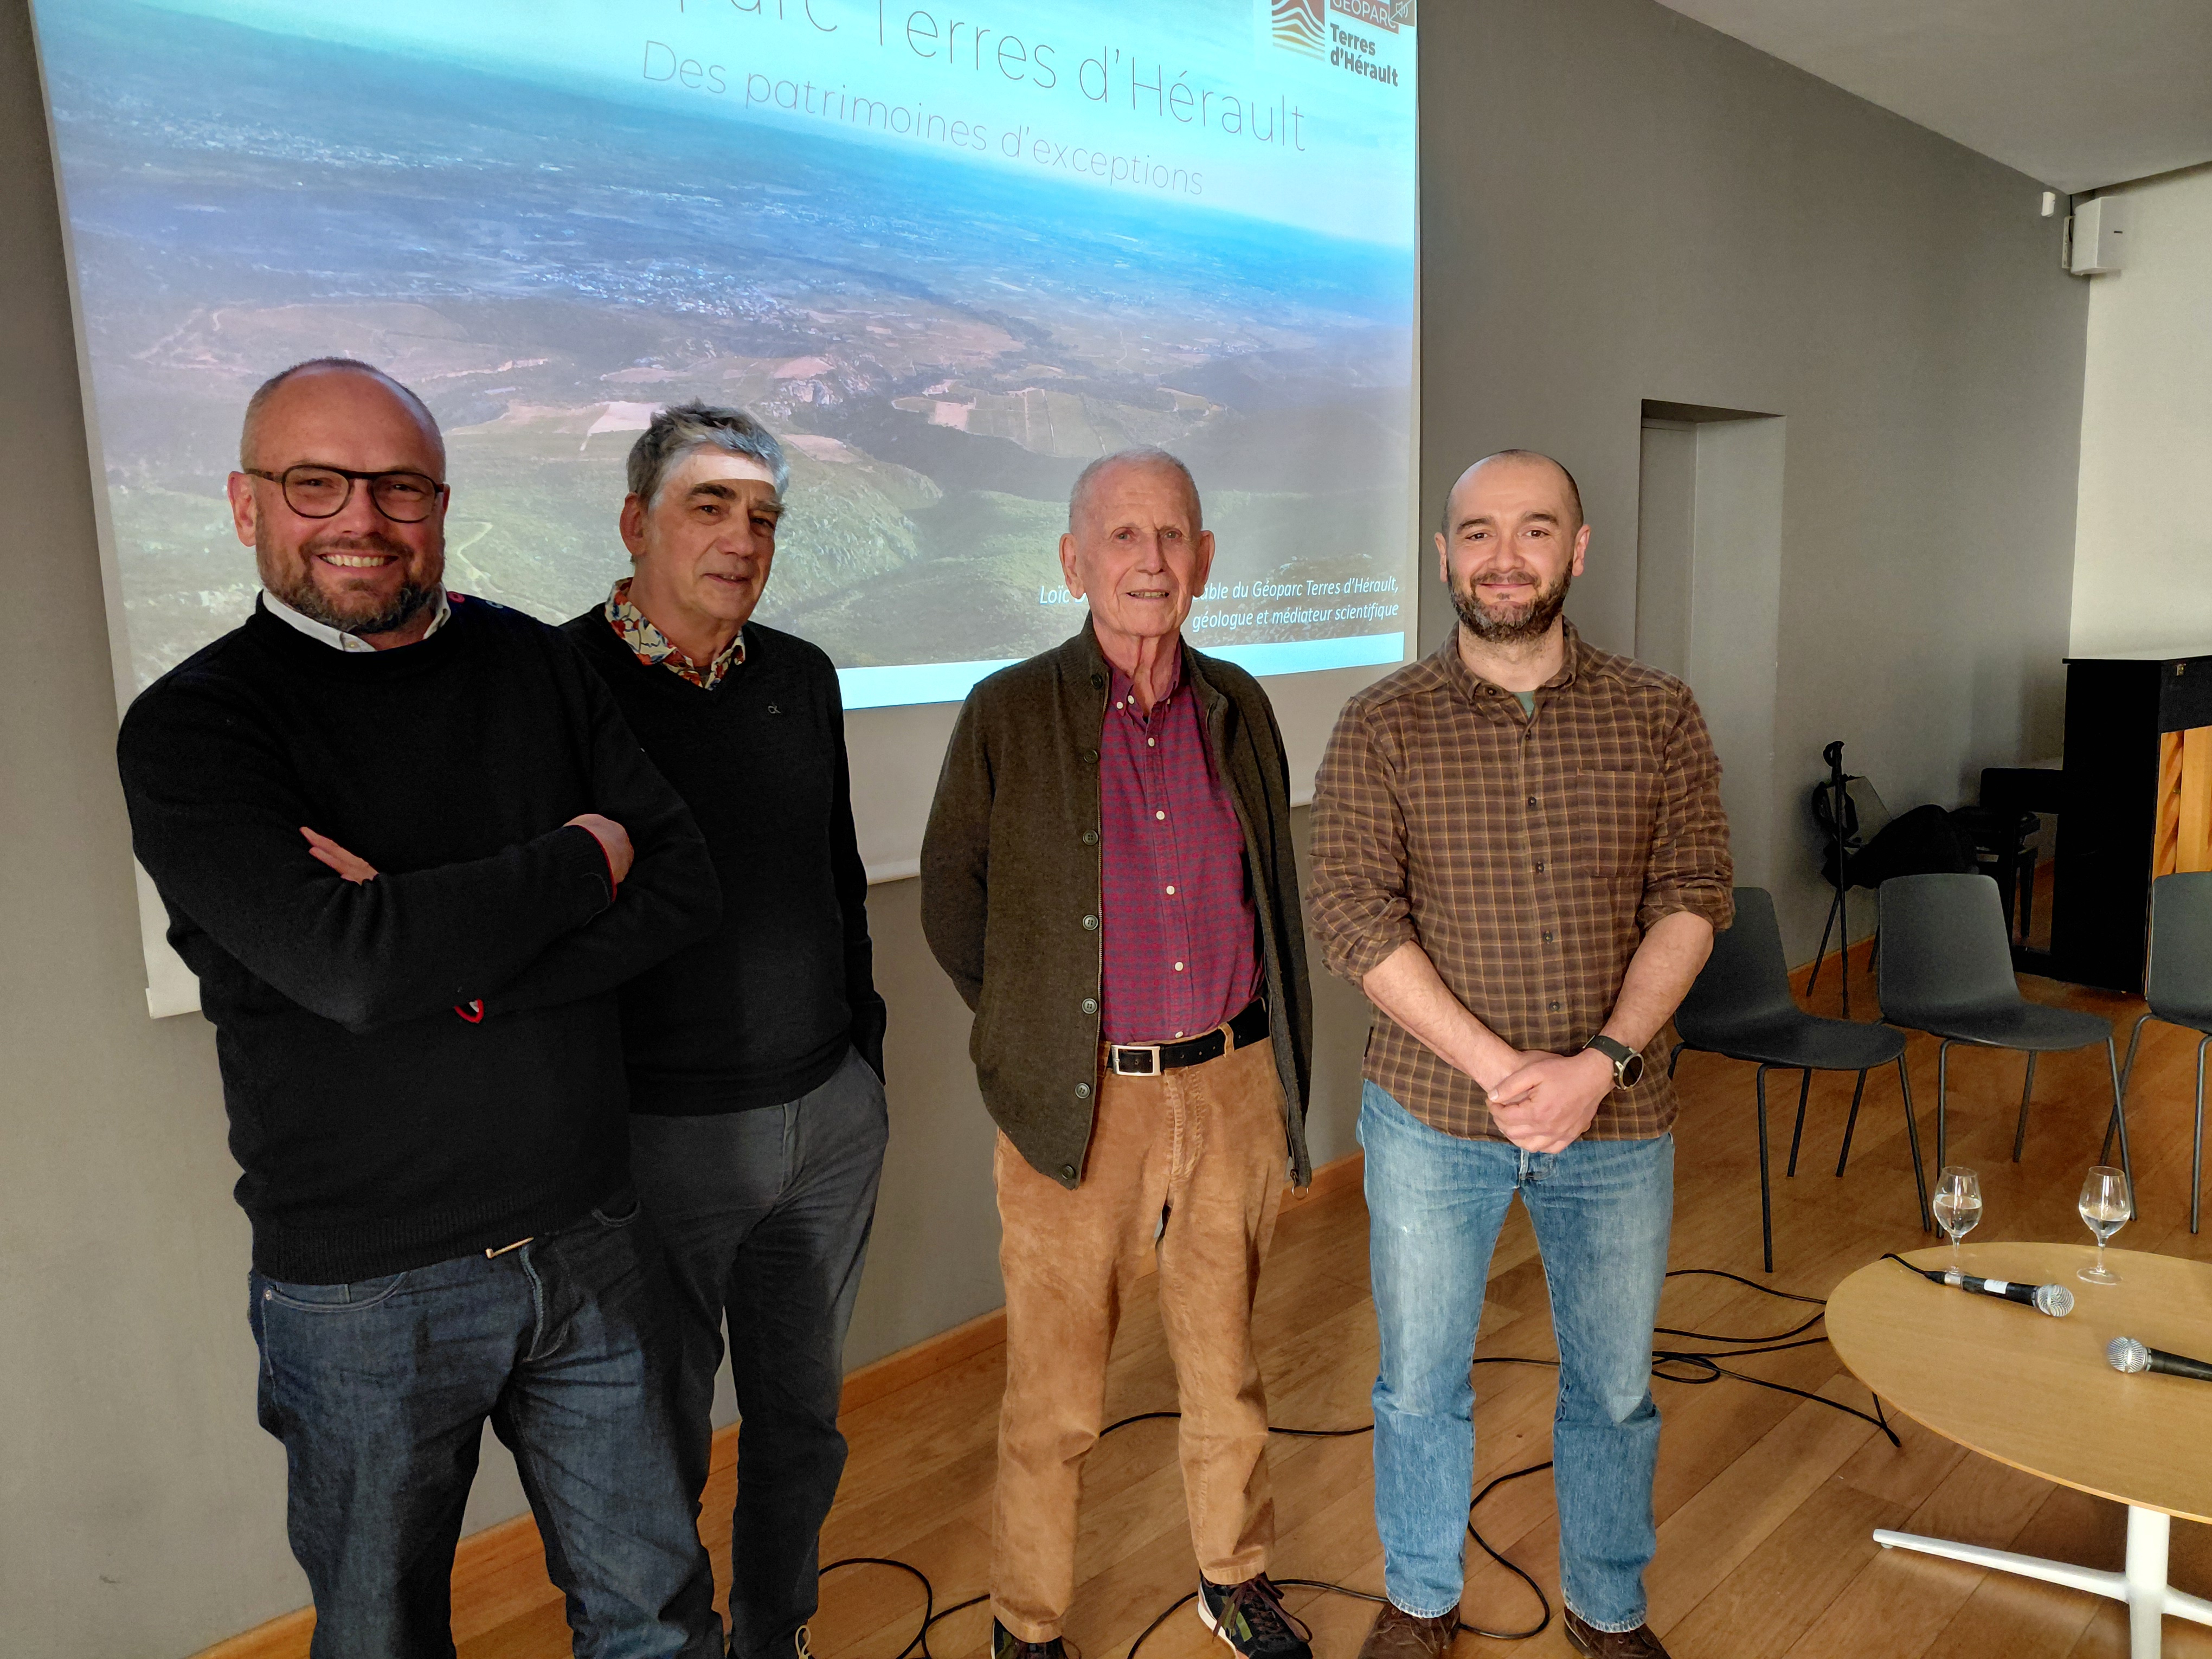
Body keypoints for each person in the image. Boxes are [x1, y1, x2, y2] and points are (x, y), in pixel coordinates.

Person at [115, 358, 725, 1659]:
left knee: (657, 1617)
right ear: (245, 504)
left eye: (398, 486)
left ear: (440, 504)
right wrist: (575, 859)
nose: (361, 518)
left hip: (592, 1234)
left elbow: (678, 885)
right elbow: (349, 969)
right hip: (363, 1293)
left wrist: (437, 949)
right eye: (315, 484)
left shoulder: (535, 663)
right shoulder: (193, 729)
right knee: (381, 1636)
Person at [1308, 451, 1732, 1659]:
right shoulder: (1381, 724)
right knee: (1420, 1385)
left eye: (1534, 530)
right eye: (1478, 533)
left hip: (1617, 1115)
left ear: (1578, 549)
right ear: (1443, 555)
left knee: (1612, 1390)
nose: (1505, 557)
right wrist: (1504, 1070)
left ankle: (1609, 1606)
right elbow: (1352, 914)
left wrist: (1596, 1061)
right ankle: (1423, 1598)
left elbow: (1695, 893)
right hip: (1435, 1116)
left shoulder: (1660, 712)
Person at [920, 448, 1315, 1659]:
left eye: (1174, 536)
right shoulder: (1006, 712)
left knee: (1227, 1368)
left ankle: (1232, 1576)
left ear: (1204, 560)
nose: (1151, 560)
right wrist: (1042, 1038)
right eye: (1124, 536)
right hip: (1080, 1102)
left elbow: (1273, 893)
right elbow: (953, 903)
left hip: (1233, 1086)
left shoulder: (1241, 705)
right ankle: (1028, 1618)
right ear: (1073, 561)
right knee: (1054, 1397)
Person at [562, 402, 889, 1659]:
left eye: (763, 517)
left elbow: (838, 879)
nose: (743, 539)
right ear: (638, 520)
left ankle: (776, 1635)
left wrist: (863, 1063)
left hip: (828, 1122)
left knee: (803, 1424)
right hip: (656, 1144)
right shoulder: (556, 684)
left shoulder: (799, 678)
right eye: (710, 507)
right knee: (654, 1446)